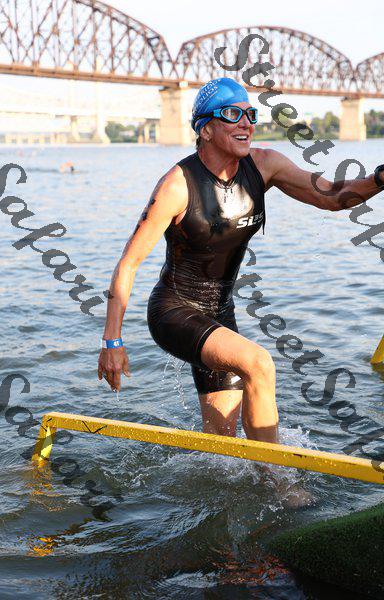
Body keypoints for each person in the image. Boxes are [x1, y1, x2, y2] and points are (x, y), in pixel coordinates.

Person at [98, 76, 384, 448]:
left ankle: (226, 477)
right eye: (233, 114)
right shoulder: (177, 186)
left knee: (222, 443)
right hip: (173, 311)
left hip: (221, 314)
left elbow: (332, 196)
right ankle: (277, 474)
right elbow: (129, 262)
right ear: (205, 129)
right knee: (258, 363)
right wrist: (113, 341)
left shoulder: (264, 165)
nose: (246, 123)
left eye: (250, 114)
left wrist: (380, 178)